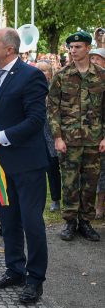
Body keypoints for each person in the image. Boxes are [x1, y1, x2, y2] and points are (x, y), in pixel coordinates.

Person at [0, 28, 49, 304]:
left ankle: (35, 279)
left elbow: (36, 120)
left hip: (28, 164)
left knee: (31, 222)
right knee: (9, 219)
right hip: (2, 165)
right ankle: (15, 269)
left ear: (9, 50)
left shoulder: (31, 76)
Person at [48, 31, 105, 242]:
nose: (73, 51)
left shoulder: (101, 75)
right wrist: (57, 137)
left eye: (78, 47)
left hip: (94, 139)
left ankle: (86, 222)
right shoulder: (61, 76)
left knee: (90, 182)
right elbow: (52, 108)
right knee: (70, 182)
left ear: (88, 48)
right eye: (71, 47)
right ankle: (70, 222)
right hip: (69, 140)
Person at [35, 61, 62, 212]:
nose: (41, 73)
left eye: (44, 70)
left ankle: (56, 199)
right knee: (36, 169)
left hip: (52, 135)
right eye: (38, 70)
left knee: (53, 168)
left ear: (50, 73)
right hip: (35, 136)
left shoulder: (56, 87)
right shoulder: (31, 88)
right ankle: (37, 199)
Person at [89, 48, 105, 219]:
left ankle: (100, 205)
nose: (94, 61)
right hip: (90, 134)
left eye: (98, 58)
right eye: (92, 58)